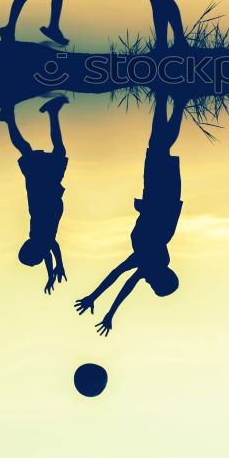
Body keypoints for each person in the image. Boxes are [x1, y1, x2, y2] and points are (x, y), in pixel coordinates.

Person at [74, 93, 184, 334]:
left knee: (159, 147)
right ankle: (169, 98)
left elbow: (122, 279)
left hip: (161, 201)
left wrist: (101, 304)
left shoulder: (149, 263)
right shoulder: (149, 261)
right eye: (153, 284)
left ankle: (174, 100)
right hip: (160, 200)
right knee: (158, 147)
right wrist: (101, 304)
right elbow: (122, 281)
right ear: (161, 276)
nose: (147, 282)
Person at [0, 96, 68, 294]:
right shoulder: (40, 239)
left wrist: (59, 265)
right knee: (31, 151)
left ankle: (14, 117)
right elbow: (48, 251)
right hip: (43, 191)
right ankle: (46, 112)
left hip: (44, 191)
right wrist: (51, 271)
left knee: (42, 151)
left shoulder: (43, 238)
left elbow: (51, 248)